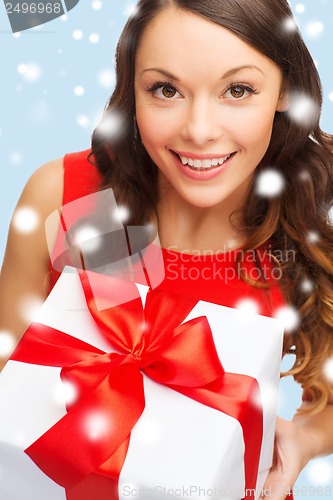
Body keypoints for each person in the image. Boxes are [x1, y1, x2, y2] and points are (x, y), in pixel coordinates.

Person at [0, 0, 333, 498]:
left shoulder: (298, 227)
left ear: (286, 90)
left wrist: (305, 439)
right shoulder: (70, 195)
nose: (199, 131)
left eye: (237, 90)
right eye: (166, 89)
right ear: (130, 90)